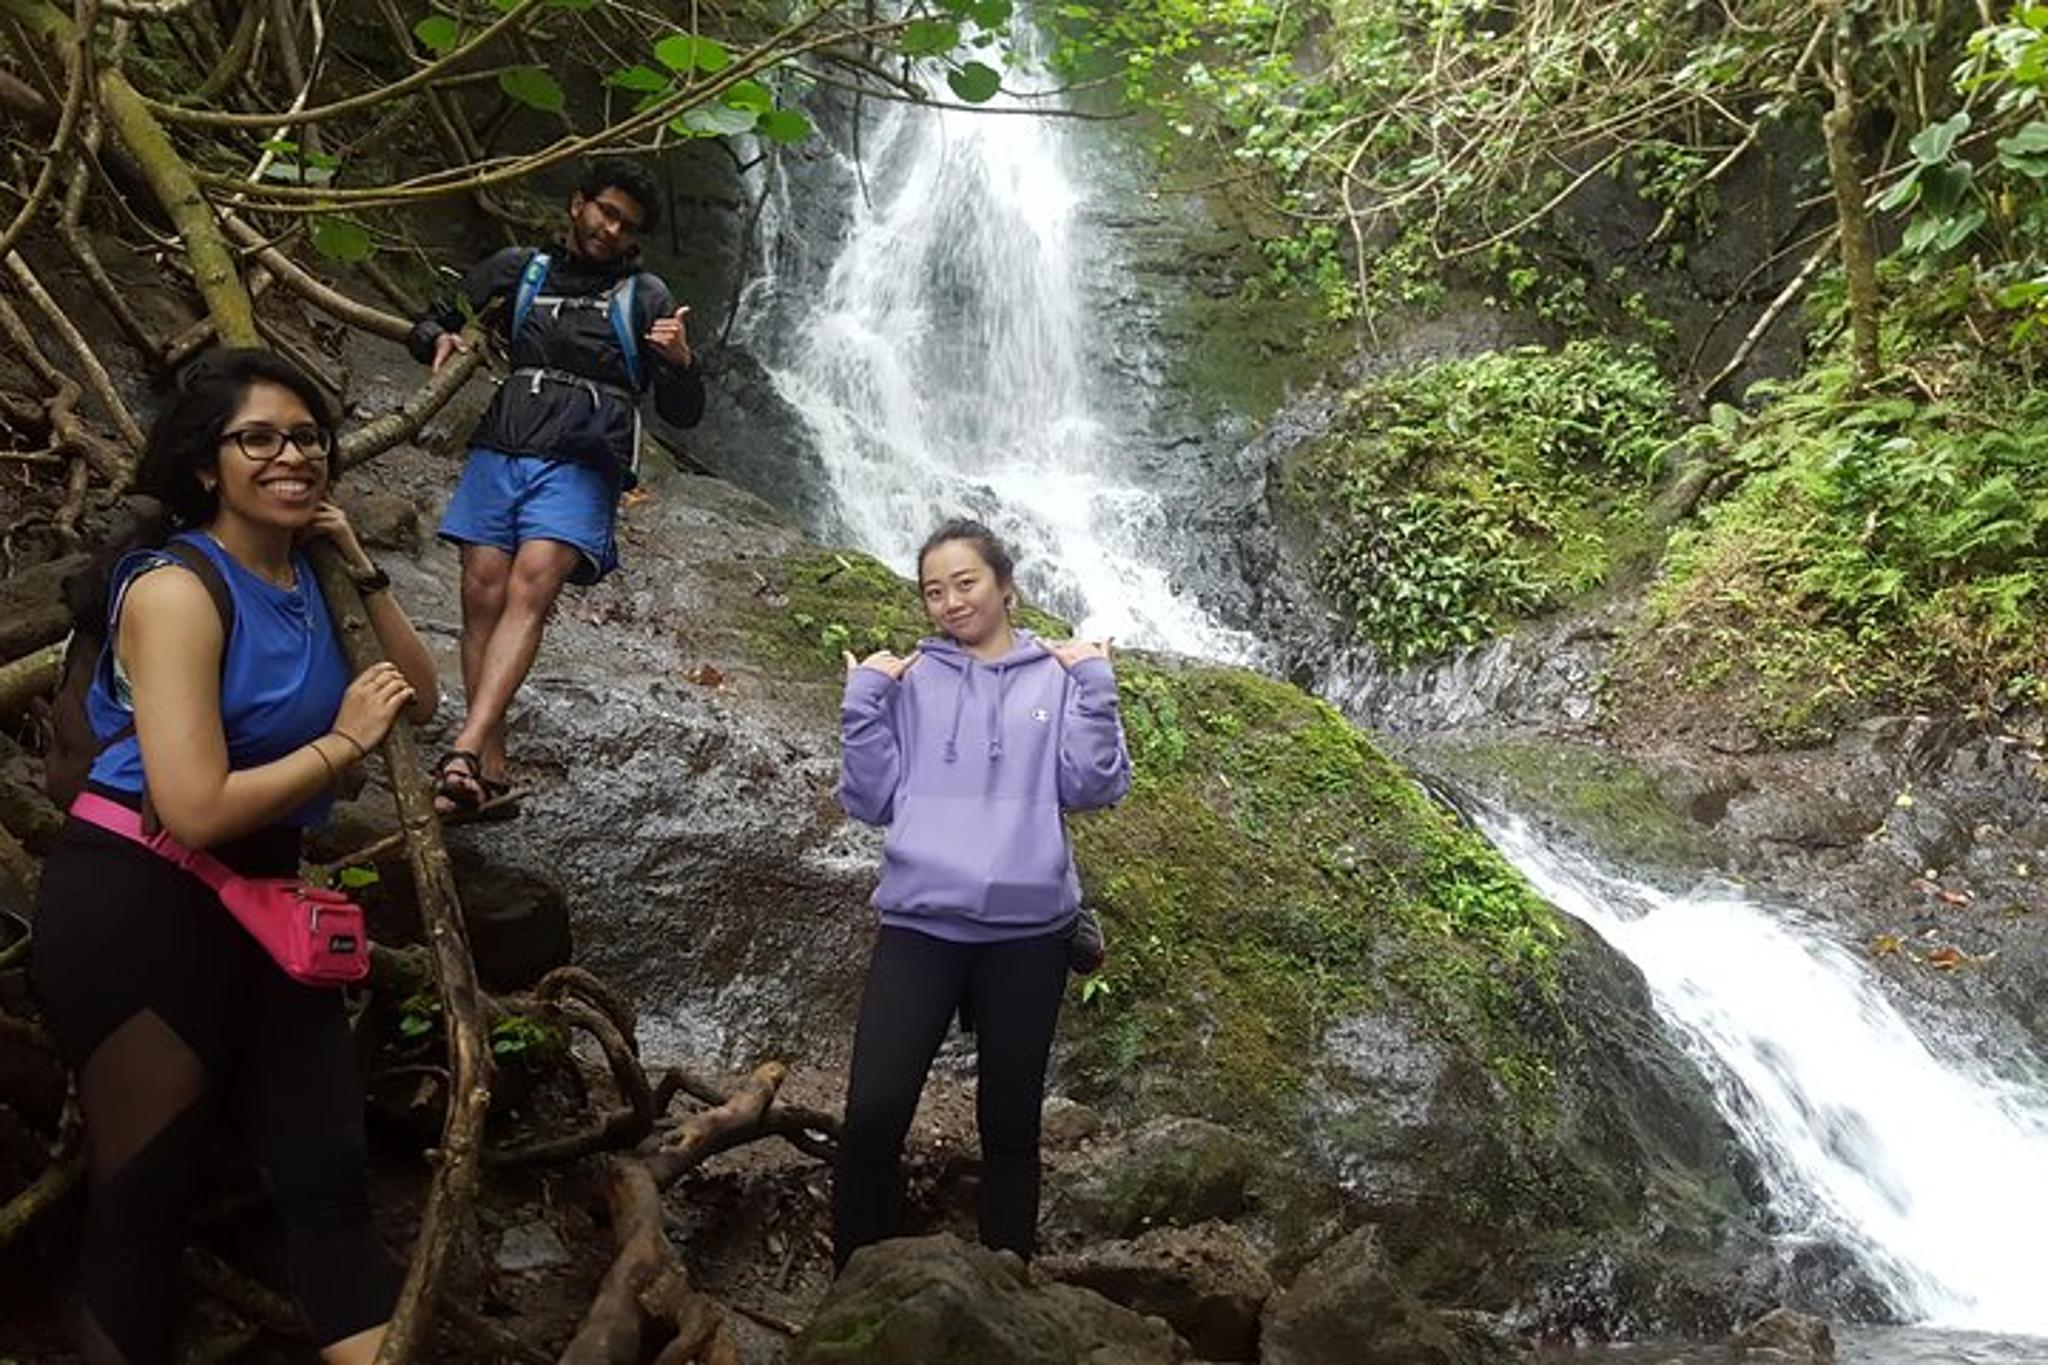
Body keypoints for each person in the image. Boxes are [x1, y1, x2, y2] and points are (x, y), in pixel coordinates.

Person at [31, 349, 439, 1365]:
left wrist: (363, 566)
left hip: (262, 900)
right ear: (207, 465)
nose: (291, 455)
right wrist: (340, 745)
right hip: (139, 904)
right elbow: (195, 805)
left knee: (327, 1177)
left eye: (306, 437)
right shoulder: (176, 589)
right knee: (145, 1192)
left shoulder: (310, 569)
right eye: (259, 437)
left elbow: (419, 702)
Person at [833, 518, 1132, 1267]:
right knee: (872, 1115)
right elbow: (870, 802)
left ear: (1005, 585)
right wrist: (861, 705)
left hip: (1028, 931)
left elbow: (1095, 786)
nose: (950, 601)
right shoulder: (910, 680)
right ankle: (853, 1289)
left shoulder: (1059, 677)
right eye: (934, 591)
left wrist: (1096, 689)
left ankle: (1009, 1289)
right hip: (922, 921)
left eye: (965, 582)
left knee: (1009, 1123)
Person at [408, 159, 706, 814]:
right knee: (481, 591)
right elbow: (429, 318)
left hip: (584, 455)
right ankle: (488, 768)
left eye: (626, 224)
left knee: (532, 583)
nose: (611, 228)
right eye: (606, 210)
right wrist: (440, 335)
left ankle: (463, 746)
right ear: (578, 203)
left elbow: (684, 410)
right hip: (504, 442)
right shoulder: (519, 270)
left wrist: (682, 360)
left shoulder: (645, 295)